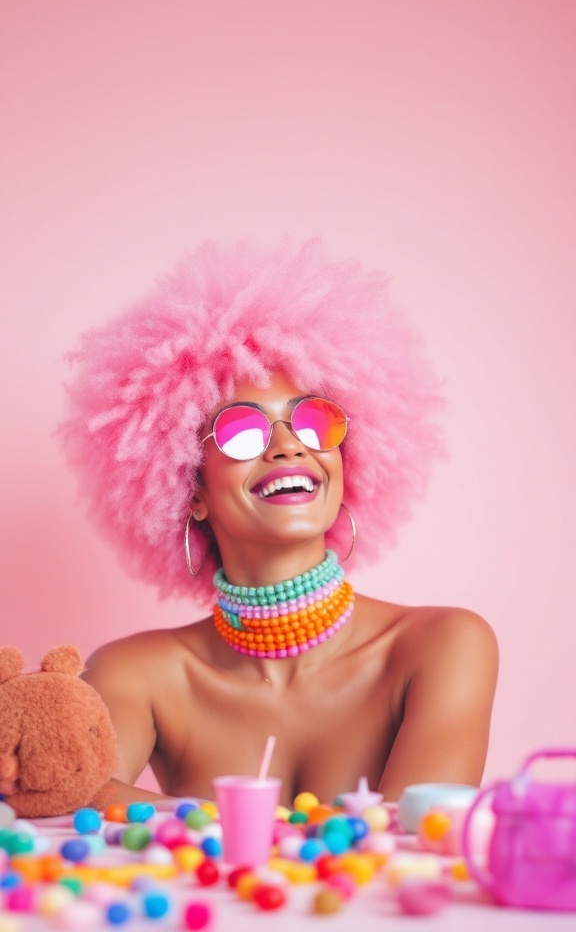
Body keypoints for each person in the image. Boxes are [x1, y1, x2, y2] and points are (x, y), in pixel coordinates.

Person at [1, 241, 498, 808]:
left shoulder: (443, 646)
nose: (289, 445)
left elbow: (413, 844)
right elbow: (52, 792)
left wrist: (180, 817)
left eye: (314, 421)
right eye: (241, 431)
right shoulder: (138, 674)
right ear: (190, 489)